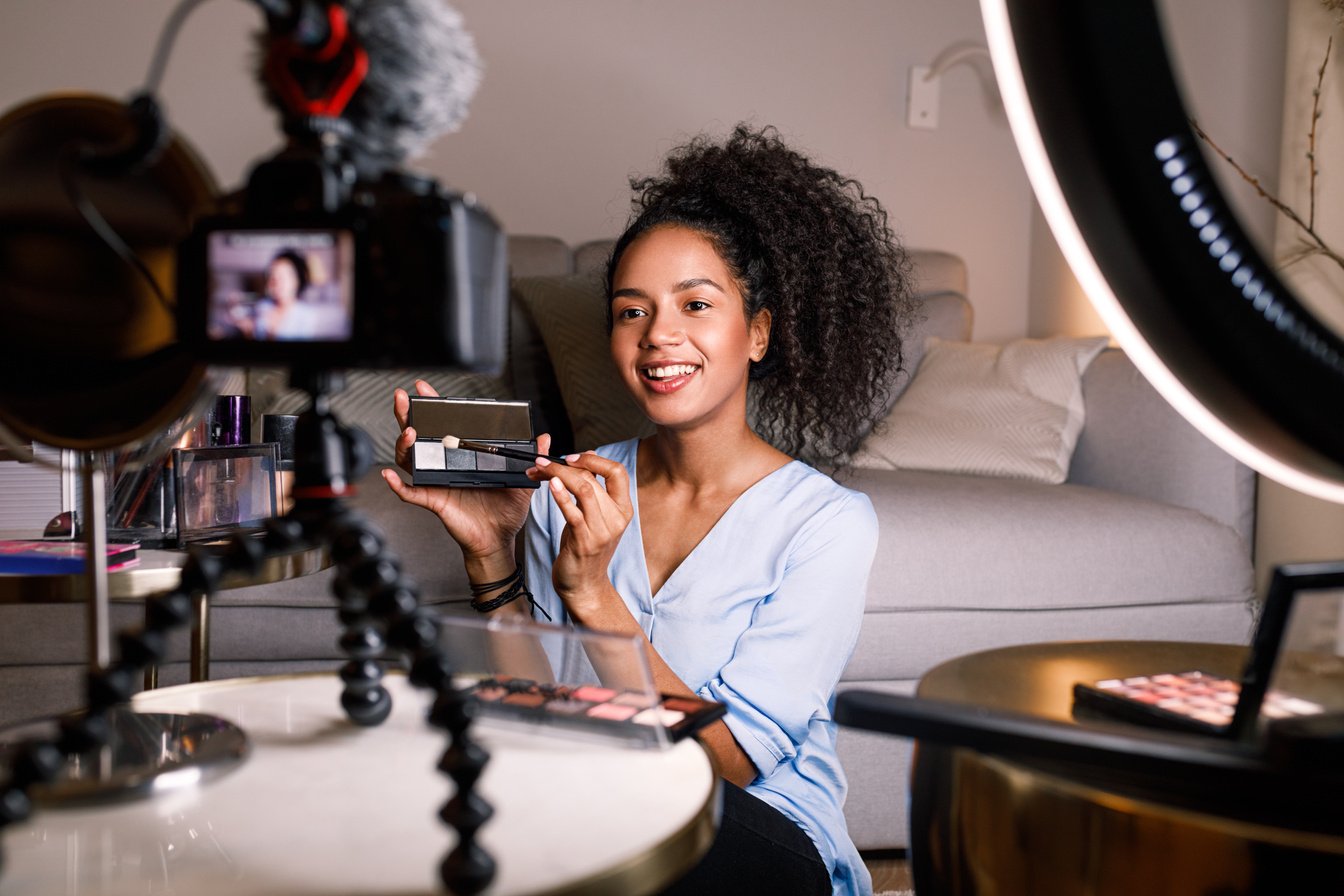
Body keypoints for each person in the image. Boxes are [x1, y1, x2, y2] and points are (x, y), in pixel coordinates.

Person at [383, 124, 914, 896]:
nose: (660, 335)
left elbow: (727, 760)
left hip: (757, 834)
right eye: (632, 312)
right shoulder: (570, 494)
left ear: (757, 332)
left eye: (696, 304)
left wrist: (593, 596)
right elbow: (540, 718)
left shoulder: (825, 524)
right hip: (595, 810)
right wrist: (492, 555)